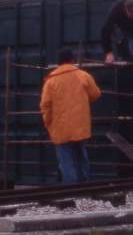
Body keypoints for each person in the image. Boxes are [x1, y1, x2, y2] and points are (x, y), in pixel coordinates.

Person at [39, 48, 101, 184]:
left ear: (58, 62)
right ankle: (84, 185)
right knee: (81, 155)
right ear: (72, 60)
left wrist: (48, 123)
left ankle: (70, 189)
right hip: (81, 126)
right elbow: (96, 94)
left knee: (66, 160)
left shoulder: (51, 81)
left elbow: (45, 105)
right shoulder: (83, 75)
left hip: (60, 128)